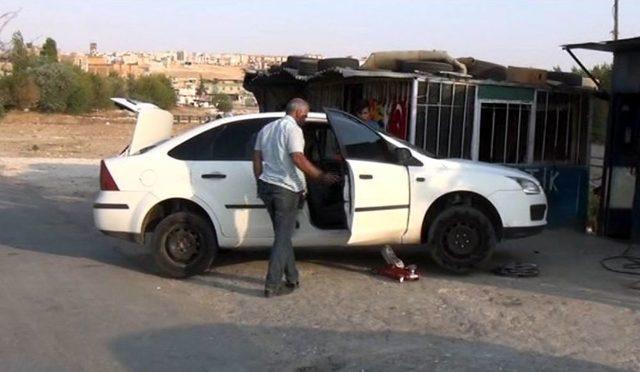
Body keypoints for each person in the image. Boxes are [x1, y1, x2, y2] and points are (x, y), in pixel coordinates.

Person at [253, 98, 339, 298]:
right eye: (306, 114)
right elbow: (297, 157)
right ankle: (272, 284)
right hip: (286, 189)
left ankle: (292, 278)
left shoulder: (266, 129)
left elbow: (256, 157)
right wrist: (321, 176)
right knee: (283, 237)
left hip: (267, 186)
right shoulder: (293, 130)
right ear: (298, 112)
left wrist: (259, 181)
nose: (306, 118)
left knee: (282, 236)